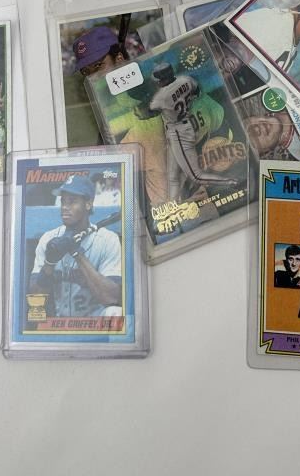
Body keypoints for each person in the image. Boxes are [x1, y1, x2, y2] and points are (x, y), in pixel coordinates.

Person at [135, 61, 238, 202]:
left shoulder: (160, 97)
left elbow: (146, 113)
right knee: (173, 175)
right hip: (186, 124)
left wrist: (142, 109)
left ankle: (230, 181)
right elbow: (197, 92)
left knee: (195, 175)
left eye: (157, 80)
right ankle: (173, 205)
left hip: (178, 132)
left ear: (160, 81)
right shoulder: (185, 79)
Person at [29, 174, 122, 318]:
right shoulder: (48, 239)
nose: (65, 207)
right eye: (63, 201)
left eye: (72, 201)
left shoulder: (108, 240)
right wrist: (49, 263)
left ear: (88, 204)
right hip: (60, 322)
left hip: (96, 321)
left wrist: (77, 253)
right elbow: (35, 297)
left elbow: (111, 297)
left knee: (115, 313)